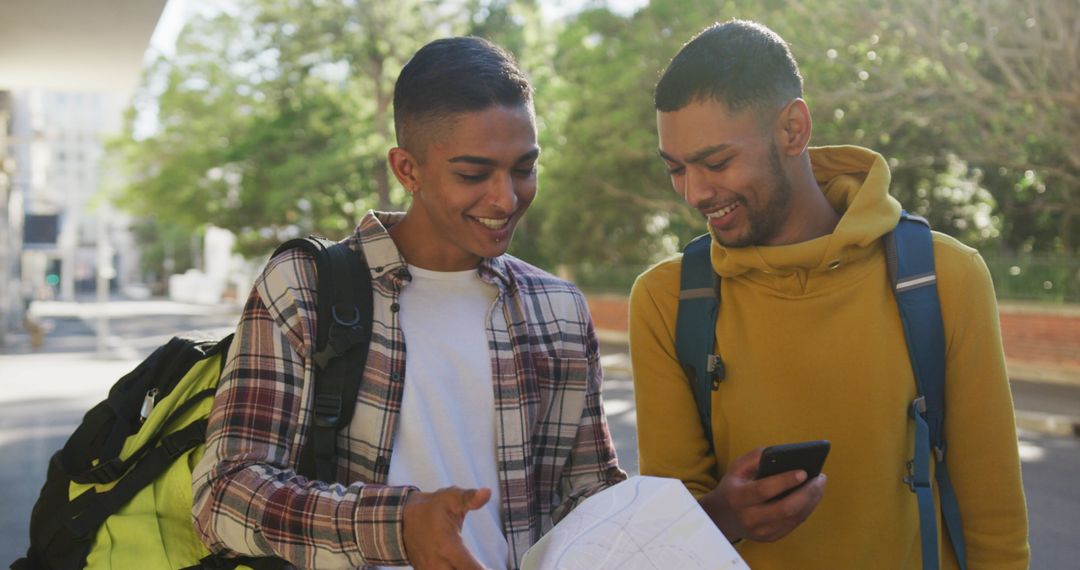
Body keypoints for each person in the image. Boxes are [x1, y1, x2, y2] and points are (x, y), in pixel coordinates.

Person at [192, 36, 625, 570]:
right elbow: (224, 495)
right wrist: (396, 526)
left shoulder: (557, 309)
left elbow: (591, 498)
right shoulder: (303, 287)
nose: (506, 199)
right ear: (407, 169)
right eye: (473, 174)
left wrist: (707, 515)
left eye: (523, 168)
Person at [629, 20, 1029, 568]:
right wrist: (725, 515)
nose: (695, 192)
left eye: (717, 162)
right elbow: (671, 531)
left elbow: (995, 526)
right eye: (676, 169)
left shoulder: (944, 277)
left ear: (793, 129)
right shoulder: (666, 299)